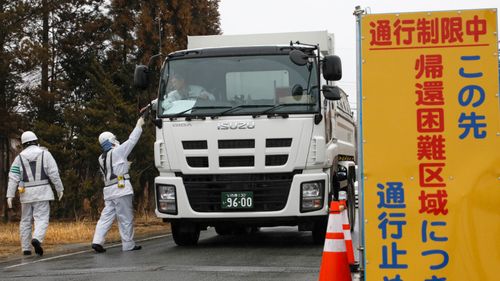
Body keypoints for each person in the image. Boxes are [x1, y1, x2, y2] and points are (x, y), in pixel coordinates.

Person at [6, 131, 64, 256]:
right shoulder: (45, 154)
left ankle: (26, 248)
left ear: (23, 143)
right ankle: (37, 239)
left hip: (26, 194)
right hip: (43, 192)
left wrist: (9, 195)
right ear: (36, 141)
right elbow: (54, 174)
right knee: (41, 218)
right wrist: (59, 189)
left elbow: (13, 177)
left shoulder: (19, 158)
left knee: (25, 220)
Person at [91, 116, 144, 253]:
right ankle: (128, 245)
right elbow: (132, 141)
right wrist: (138, 126)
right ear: (112, 140)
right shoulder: (118, 152)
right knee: (125, 218)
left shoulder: (101, 158)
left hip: (109, 192)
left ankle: (97, 241)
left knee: (106, 217)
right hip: (121, 190)